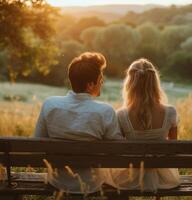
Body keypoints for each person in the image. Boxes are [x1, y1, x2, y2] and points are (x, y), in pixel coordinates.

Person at [33, 52, 123, 194]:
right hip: (92, 182)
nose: (102, 82)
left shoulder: (50, 104)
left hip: (57, 180)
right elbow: (116, 150)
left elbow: (37, 142)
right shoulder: (105, 111)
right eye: (100, 79)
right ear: (90, 84)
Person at [106, 58, 181, 191]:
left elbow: (119, 151)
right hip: (164, 178)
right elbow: (172, 150)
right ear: (155, 83)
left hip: (131, 178)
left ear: (130, 84)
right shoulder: (171, 112)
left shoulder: (121, 115)